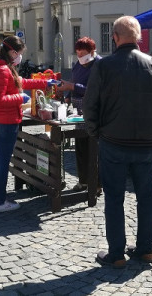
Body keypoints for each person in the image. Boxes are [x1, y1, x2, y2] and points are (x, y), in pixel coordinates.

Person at [83, 16, 152, 268]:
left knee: (114, 199)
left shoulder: (104, 66)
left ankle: (117, 254)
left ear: (115, 37)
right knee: (145, 198)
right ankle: (145, 250)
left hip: (113, 142)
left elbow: (90, 105)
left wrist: (95, 133)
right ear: (139, 38)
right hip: (145, 144)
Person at [0, 36, 51, 212]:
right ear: (13, 52)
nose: (20, 57)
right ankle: (0, 202)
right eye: (20, 53)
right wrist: (21, 98)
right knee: (3, 160)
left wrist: (45, 82)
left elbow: (19, 82)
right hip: (5, 119)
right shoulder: (2, 69)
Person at [56, 36, 102, 192]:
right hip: (78, 112)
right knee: (81, 147)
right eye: (78, 54)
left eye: (83, 54)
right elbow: (73, 80)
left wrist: (73, 86)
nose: (80, 57)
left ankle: (96, 184)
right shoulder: (79, 64)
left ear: (91, 51)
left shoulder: (99, 65)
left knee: (94, 149)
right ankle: (83, 181)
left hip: (94, 113)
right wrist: (68, 95)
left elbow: (96, 90)